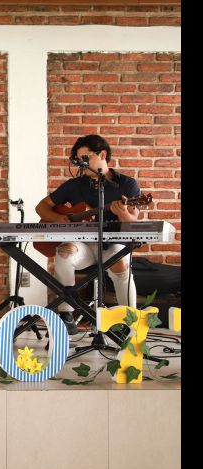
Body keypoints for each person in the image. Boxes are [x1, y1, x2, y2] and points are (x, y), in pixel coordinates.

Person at [35, 134, 141, 335]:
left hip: (113, 243)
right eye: (78, 160)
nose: (81, 164)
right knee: (64, 251)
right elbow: (41, 207)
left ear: (102, 155)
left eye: (85, 158)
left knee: (121, 263)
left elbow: (132, 221)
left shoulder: (127, 184)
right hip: (84, 246)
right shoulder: (74, 185)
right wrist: (59, 219)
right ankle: (66, 314)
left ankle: (130, 320)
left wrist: (123, 213)